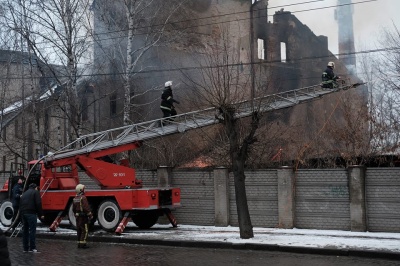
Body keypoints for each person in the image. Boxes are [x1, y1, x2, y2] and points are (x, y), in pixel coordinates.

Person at [19, 183, 44, 253]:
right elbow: (38, 203)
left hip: (23, 213)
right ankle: (32, 247)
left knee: (25, 231)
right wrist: (41, 214)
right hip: (31, 213)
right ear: (35, 187)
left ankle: (25, 248)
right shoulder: (35, 192)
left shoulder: (24, 193)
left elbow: (20, 204)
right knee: (32, 230)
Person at [72, 184, 93, 249]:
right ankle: (83, 244)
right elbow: (86, 208)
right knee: (85, 230)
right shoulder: (83, 198)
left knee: (79, 230)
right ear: (81, 190)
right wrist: (90, 215)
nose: (85, 190)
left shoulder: (75, 198)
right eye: (84, 189)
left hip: (78, 217)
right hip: (83, 217)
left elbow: (73, 209)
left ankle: (79, 243)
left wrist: (76, 214)